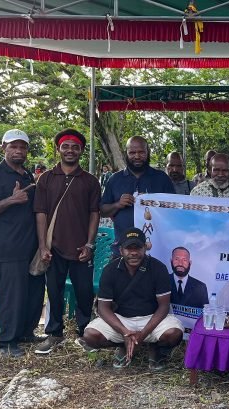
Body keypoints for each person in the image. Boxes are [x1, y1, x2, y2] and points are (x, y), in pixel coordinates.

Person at [0, 129, 45, 357]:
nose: (18, 150)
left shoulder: (27, 176)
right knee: (11, 296)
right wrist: (11, 200)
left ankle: (26, 333)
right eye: (13, 146)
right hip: (7, 247)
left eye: (22, 147)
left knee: (33, 293)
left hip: (31, 246)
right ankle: (6, 341)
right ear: (3, 148)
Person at [34, 129, 101, 355]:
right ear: (58, 149)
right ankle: (54, 333)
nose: (70, 150)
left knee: (84, 292)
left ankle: (85, 333)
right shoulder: (46, 179)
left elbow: (94, 213)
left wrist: (90, 244)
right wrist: (43, 245)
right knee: (53, 291)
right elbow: (41, 213)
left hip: (81, 248)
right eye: (66, 146)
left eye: (75, 147)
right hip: (54, 248)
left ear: (81, 151)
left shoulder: (90, 181)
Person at [82, 227, 184, 371]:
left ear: (145, 248)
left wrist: (143, 335)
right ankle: (124, 345)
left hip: (151, 319)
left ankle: (154, 347)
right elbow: (103, 308)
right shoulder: (110, 270)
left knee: (174, 334)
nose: (134, 253)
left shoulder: (158, 268)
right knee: (90, 335)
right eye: (129, 248)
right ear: (121, 250)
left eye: (138, 248)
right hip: (121, 320)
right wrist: (124, 331)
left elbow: (163, 307)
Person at [100, 136, 175, 254]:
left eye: (141, 152)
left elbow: (174, 211)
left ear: (148, 152)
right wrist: (118, 204)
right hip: (122, 249)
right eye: (132, 152)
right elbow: (103, 211)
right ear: (126, 153)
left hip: (156, 250)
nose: (137, 156)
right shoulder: (115, 179)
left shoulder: (162, 178)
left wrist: (155, 204)